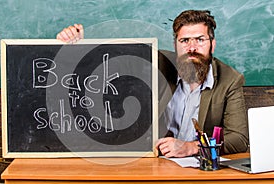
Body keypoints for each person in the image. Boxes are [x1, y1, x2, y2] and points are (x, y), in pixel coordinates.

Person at [56, 9, 249, 158]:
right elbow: (109, 64)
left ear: (212, 44)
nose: (192, 48)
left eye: (200, 40)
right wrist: (77, 45)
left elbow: (239, 139)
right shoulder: (158, 62)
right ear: (175, 45)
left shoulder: (230, 80)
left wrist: (191, 147)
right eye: (185, 41)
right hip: (154, 161)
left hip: (199, 166)